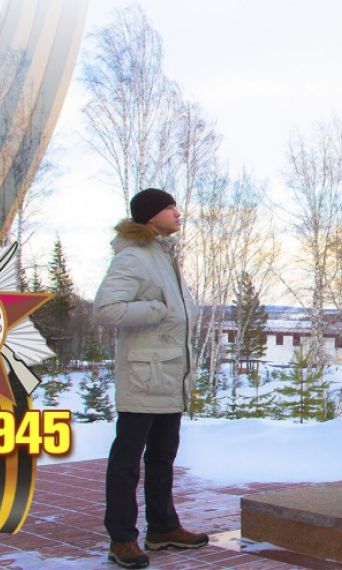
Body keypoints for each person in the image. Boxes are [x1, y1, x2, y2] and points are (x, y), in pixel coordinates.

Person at [93, 188, 207, 569]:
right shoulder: (133, 258)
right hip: (143, 377)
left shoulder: (163, 257)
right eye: (169, 207)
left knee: (162, 457)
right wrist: (155, 309)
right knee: (127, 461)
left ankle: (162, 528)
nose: (178, 212)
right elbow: (107, 310)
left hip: (169, 376)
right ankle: (122, 538)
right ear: (149, 215)